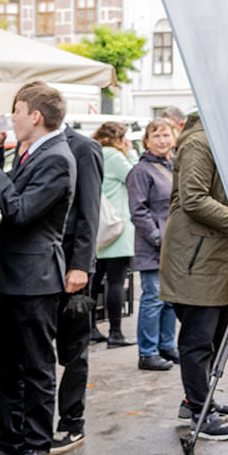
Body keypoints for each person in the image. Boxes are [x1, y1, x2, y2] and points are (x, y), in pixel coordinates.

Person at [0, 83, 76, 455]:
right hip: (7, 276)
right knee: (1, 368)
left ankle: (36, 447)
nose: (11, 117)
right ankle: (6, 444)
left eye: (16, 110)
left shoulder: (58, 158)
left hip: (35, 279)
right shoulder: (30, 151)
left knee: (35, 367)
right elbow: (12, 192)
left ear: (35, 115)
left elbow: (19, 210)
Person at [158, 112, 228, 440]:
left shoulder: (216, 140)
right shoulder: (200, 142)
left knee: (214, 335)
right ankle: (198, 410)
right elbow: (194, 198)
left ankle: (198, 398)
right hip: (197, 258)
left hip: (215, 256)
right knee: (198, 339)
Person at [48, 124, 103, 455]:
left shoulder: (82, 146)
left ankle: (71, 422)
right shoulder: (28, 144)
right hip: (41, 265)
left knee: (73, 350)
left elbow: (89, 209)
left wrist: (81, 264)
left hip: (73, 267)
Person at [126, 119, 178, 371]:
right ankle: (148, 352)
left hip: (175, 246)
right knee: (153, 298)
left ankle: (167, 345)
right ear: (146, 141)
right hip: (153, 245)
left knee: (170, 300)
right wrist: (157, 237)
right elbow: (138, 210)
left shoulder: (175, 166)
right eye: (156, 136)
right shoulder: (141, 171)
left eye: (166, 135)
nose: (162, 140)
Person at [90, 122, 135, 348]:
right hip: (116, 227)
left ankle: (90, 328)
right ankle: (115, 333)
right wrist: (132, 152)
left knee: (94, 281)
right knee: (116, 281)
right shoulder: (115, 156)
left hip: (98, 227)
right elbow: (135, 178)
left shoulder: (94, 153)